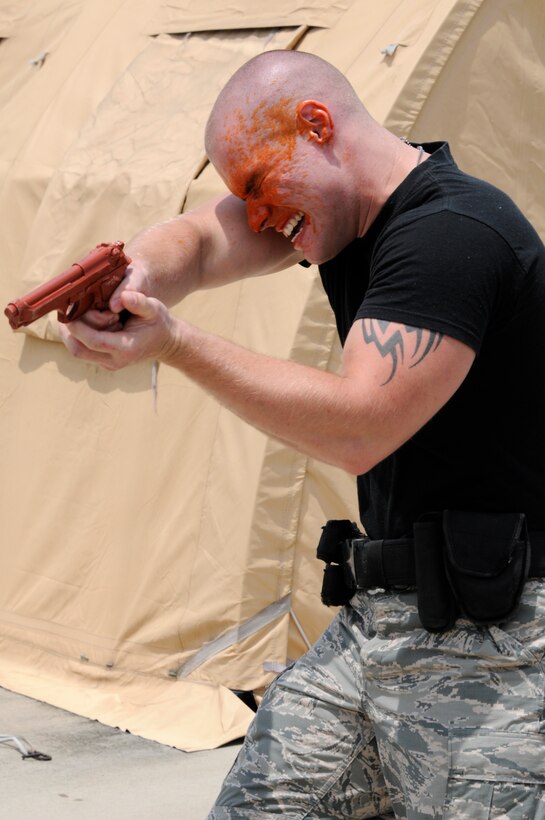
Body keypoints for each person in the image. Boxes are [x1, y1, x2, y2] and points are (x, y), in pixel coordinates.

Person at [60, 50, 545, 818]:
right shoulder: (345, 215)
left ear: (316, 126)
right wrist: (134, 276)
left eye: (257, 184)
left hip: (496, 645)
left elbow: (360, 426)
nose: (257, 215)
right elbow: (204, 238)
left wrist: (174, 343)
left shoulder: (450, 235)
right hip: (383, 620)